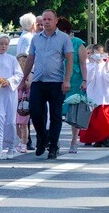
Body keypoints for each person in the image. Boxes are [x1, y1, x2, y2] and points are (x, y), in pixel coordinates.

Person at [23, 9, 73, 159]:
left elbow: (69, 59)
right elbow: (30, 59)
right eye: (44, 19)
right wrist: (23, 78)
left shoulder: (64, 38)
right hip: (38, 81)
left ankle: (53, 146)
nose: (46, 22)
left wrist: (67, 80)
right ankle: (42, 137)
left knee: (56, 115)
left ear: (56, 21)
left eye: (49, 19)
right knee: (35, 111)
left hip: (56, 82)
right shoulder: (36, 38)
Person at [80, 41, 109, 147]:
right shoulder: (89, 66)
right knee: (93, 120)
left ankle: (105, 137)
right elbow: (87, 78)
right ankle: (97, 138)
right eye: (95, 54)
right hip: (92, 96)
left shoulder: (108, 65)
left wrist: (107, 64)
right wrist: (91, 64)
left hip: (104, 96)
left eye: (100, 54)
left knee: (104, 119)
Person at [56, 17, 87, 154]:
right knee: (56, 111)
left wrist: (85, 80)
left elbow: (83, 64)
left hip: (75, 81)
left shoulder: (78, 43)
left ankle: (74, 140)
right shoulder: (56, 42)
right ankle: (54, 139)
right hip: (58, 79)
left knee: (75, 111)